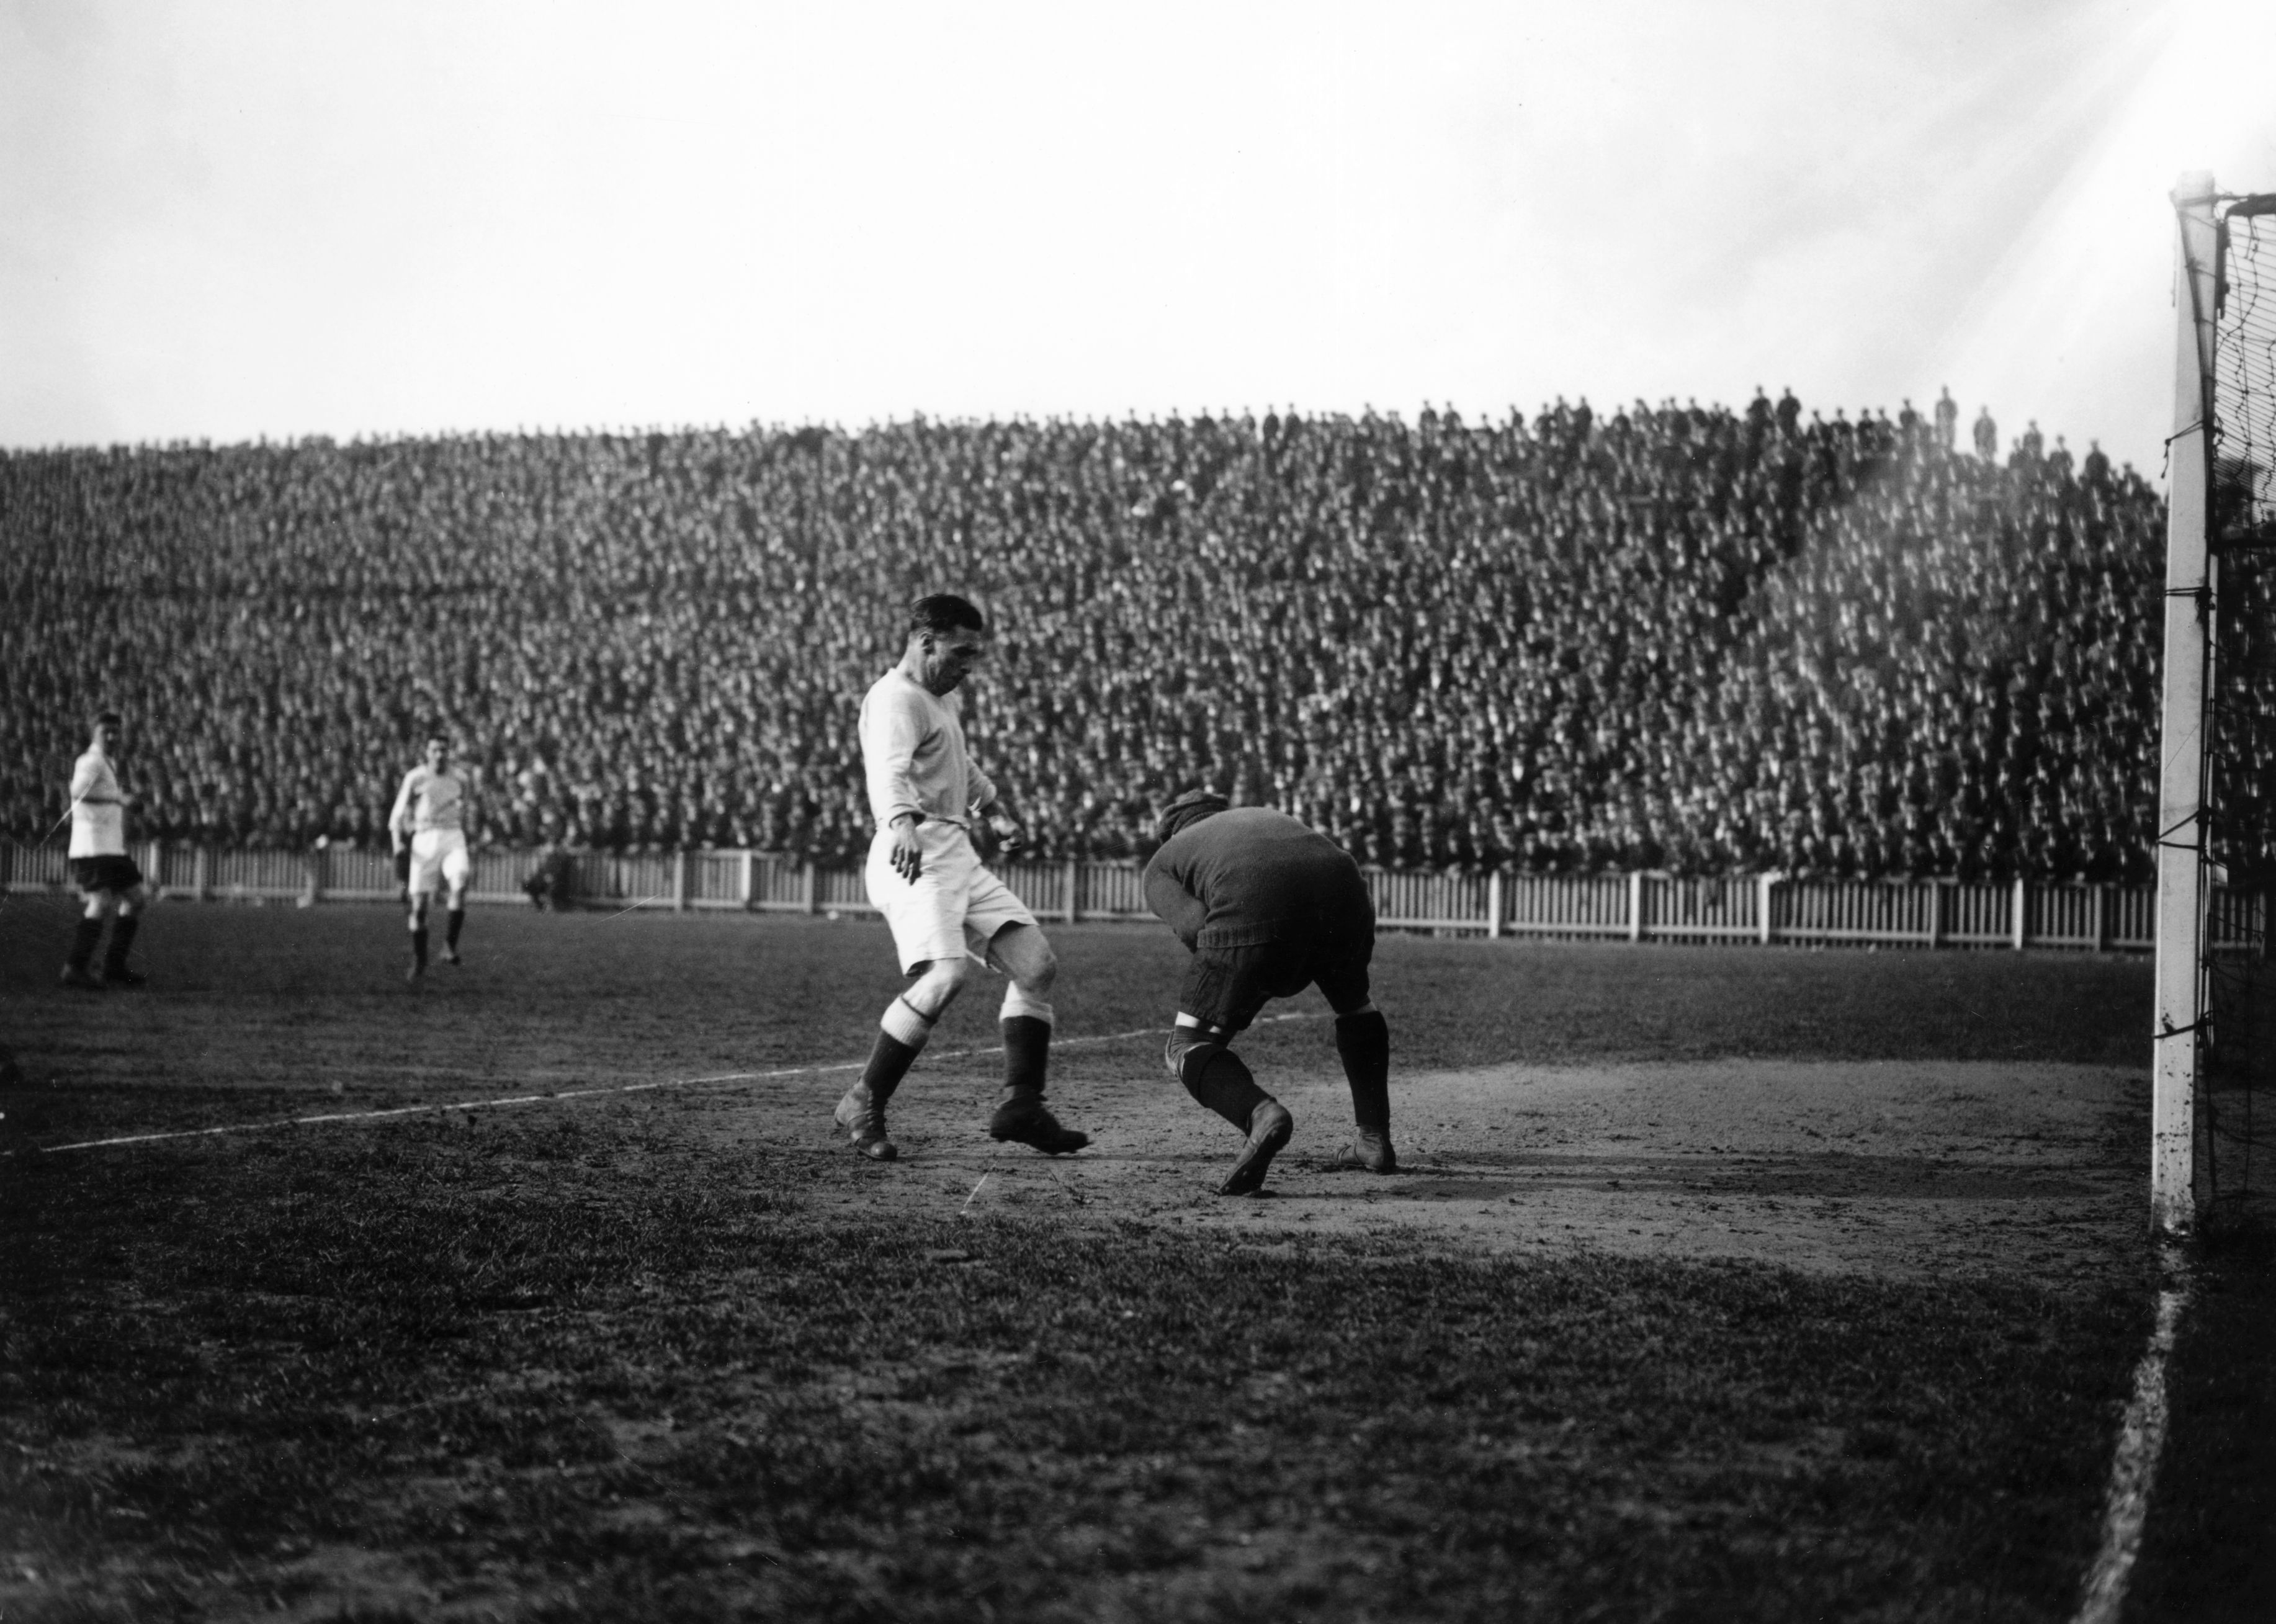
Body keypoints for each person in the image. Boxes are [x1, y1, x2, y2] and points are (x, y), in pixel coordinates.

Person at [838, 593, 1088, 1161]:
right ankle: (863, 1099)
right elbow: (888, 768)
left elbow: (957, 762)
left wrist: (993, 805)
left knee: (1036, 965)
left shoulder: (936, 697)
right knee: (946, 975)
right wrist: (899, 821)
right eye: (962, 651)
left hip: (955, 850)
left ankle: (1022, 1104)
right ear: (926, 642)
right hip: (914, 853)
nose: (970, 664)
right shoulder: (897, 698)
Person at [1142, 789, 1396, 1196]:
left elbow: (1196, 928)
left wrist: (1230, 998)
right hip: (1347, 891)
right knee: (1356, 1006)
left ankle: (1261, 1114)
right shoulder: (1259, 815)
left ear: (1170, 833)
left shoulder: (1165, 860)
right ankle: (1373, 1138)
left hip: (1254, 903)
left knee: (1184, 1044)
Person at [60, 711, 150, 989]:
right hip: (92, 847)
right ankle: (74, 968)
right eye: (105, 732)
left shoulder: (107, 761)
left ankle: (114, 967)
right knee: (100, 901)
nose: (111, 737)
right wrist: (119, 798)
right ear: (93, 734)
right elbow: (77, 792)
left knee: (136, 898)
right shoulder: (90, 760)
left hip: (110, 848)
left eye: (115, 732)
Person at [389, 733, 473, 982]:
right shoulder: (415, 778)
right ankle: (420, 958)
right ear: (427, 752)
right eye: (435, 750)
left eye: (444, 750)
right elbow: (398, 814)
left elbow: (464, 807)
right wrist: (398, 845)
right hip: (424, 840)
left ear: (450, 753)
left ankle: (449, 946)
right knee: (419, 908)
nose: (440, 755)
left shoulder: (461, 778)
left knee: (460, 884)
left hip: (452, 836)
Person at [1933, 387, 1959, 452]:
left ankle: (1950, 450)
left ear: (1948, 392)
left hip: (1950, 422)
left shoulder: (1952, 402)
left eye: (1946, 392)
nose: (1945, 393)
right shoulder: (1939, 403)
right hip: (1941, 423)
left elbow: (1955, 413)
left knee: (1950, 438)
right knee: (1940, 437)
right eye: (1944, 392)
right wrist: (1939, 421)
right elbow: (1936, 414)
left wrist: (1949, 419)